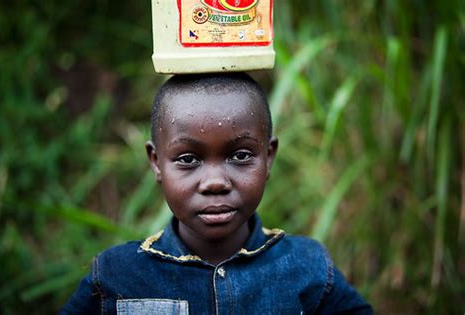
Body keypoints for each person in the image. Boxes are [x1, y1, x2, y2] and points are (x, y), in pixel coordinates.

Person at [62, 73, 373, 314]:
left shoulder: (308, 268)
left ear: (269, 157)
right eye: (188, 159)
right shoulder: (118, 275)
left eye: (239, 156)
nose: (214, 182)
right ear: (156, 163)